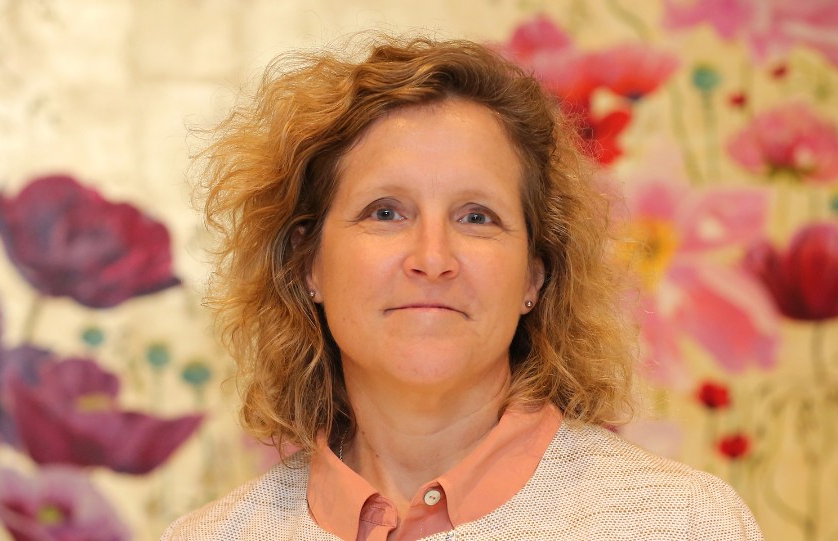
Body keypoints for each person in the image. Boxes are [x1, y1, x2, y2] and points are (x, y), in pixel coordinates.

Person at [162, 34, 762, 541]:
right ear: (308, 264)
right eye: (385, 213)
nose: (432, 257)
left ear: (534, 276)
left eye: (477, 216)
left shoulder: (683, 524)